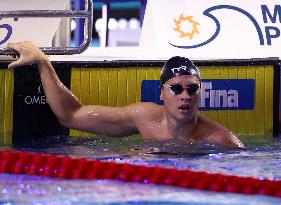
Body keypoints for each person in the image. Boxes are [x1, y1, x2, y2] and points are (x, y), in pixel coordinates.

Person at [7, 41, 244, 148]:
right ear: (162, 93)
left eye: (192, 89)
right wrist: (43, 62)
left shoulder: (220, 141)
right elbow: (71, 115)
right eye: (176, 88)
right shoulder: (144, 117)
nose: (185, 95)